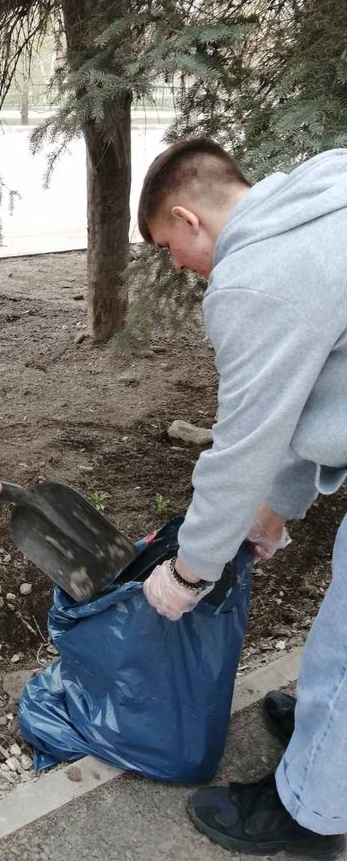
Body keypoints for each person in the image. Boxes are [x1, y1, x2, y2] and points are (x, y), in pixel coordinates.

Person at [137, 138, 347, 860]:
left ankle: (313, 811)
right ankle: (327, 740)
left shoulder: (254, 280)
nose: (178, 266)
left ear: (189, 218)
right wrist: (278, 509)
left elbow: (243, 446)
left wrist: (189, 572)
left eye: (169, 245)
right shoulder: (324, 188)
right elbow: (316, 391)